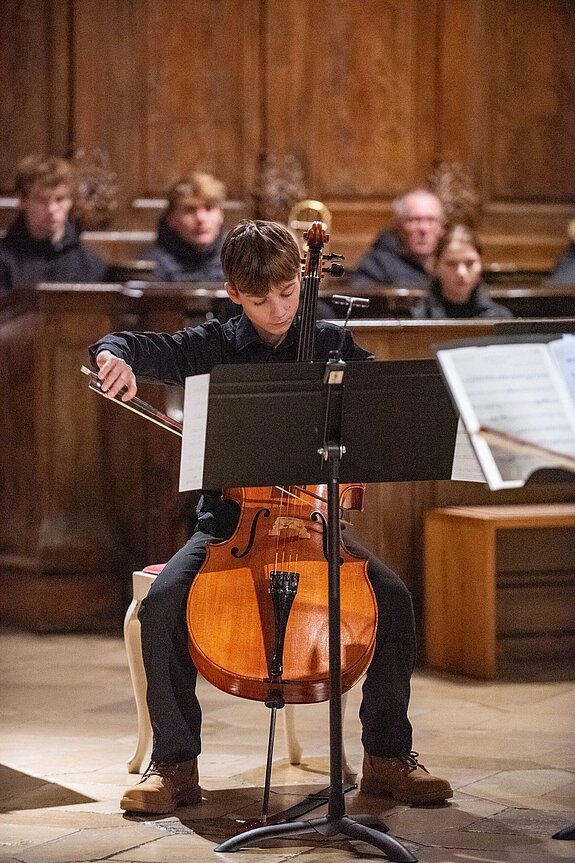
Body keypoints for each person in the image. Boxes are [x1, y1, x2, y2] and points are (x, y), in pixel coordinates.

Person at [89, 219, 453, 815]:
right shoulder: (212, 344)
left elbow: (379, 419)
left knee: (393, 597)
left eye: (288, 293)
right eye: (260, 300)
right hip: (228, 526)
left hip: (314, 527)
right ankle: (174, 767)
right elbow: (125, 345)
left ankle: (388, 758)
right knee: (162, 605)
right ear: (234, 294)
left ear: (303, 279)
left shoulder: (335, 345)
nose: (278, 309)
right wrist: (112, 357)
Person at [0, 154, 109, 293]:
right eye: (42, 200)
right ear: (23, 200)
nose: (52, 209)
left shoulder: (90, 263)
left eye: (60, 199)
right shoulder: (4, 261)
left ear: (71, 201)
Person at [410, 224, 514, 319]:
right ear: (435, 265)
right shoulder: (417, 316)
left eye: (470, 263)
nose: (461, 272)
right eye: (451, 264)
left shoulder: (501, 317)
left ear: (481, 263)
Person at [350, 187, 446, 286]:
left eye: (431, 220)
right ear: (397, 224)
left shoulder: (452, 264)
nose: (423, 229)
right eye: (414, 220)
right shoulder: (376, 266)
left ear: (442, 225)